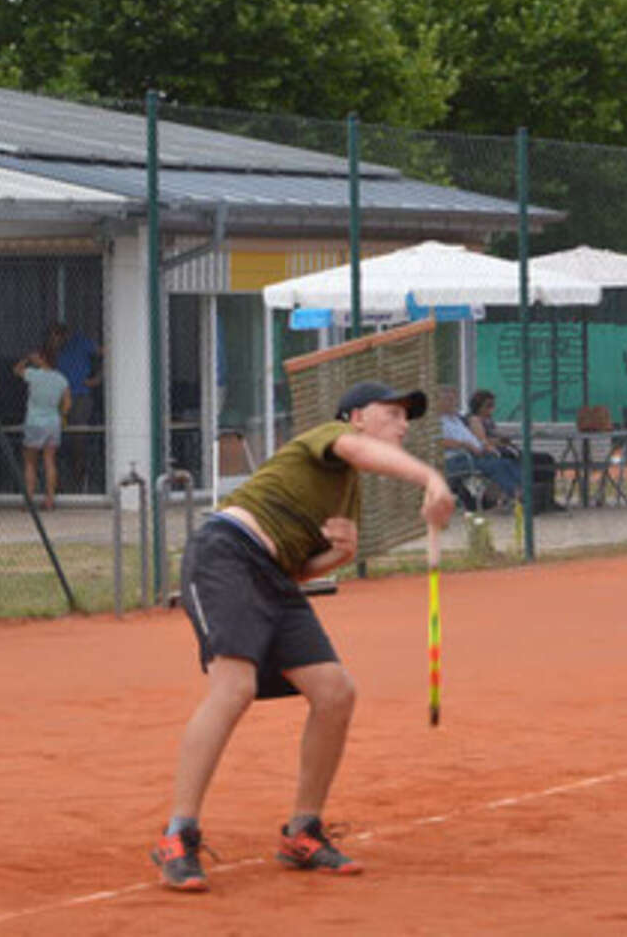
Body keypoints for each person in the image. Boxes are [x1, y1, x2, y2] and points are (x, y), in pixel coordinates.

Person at [151, 380, 456, 893]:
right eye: (392, 413)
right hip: (227, 553)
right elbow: (359, 451)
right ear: (355, 418)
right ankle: (178, 835)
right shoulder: (331, 437)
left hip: (273, 577)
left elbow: (296, 571)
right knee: (234, 688)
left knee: (335, 692)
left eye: (408, 417)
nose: (403, 425)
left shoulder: (348, 490)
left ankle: (303, 831)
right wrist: (431, 479)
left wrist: (338, 556)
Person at [466, 389, 559, 513]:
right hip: (495, 453)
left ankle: (547, 498)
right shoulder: (475, 420)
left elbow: (497, 435)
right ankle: (530, 497)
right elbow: (483, 440)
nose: (492, 409)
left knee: (546, 459)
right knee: (534, 461)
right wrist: (500, 441)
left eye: (493, 405)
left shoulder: (489, 420)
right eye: (488, 405)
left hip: (504, 450)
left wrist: (505, 438)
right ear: (478, 406)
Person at [12, 337, 70, 510]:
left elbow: (16, 370)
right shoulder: (61, 379)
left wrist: (27, 359)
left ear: (42, 358)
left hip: (34, 422)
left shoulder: (33, 374)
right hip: (52, 422)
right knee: (49, 461)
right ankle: (50, 499)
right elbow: (67, 404)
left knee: (30, 463)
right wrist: (61, 415)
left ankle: (29, 500)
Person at [439, 388, 524, 506]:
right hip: (457, 459)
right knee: (496, 466)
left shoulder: (456, 418)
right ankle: (517, 495)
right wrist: (466, 445)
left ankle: (525, 490)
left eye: (454, 399)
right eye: (448, 400)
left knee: (508, 462)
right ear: (438, 402)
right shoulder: (437, 421)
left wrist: (483, 446)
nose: (453, 403)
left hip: (475, 455)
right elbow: (439, 442)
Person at [48, 322, 103, 489]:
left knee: (78, 437)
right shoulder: (52, 351)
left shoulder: (80, 343)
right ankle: (57, 483)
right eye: (52, 339)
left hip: (80, 396)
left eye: (57, 339)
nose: (55, 343)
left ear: (64, 336)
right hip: (59, 397)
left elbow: (107, 353)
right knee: (55, 439)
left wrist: (98, 379)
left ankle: (78, 480)